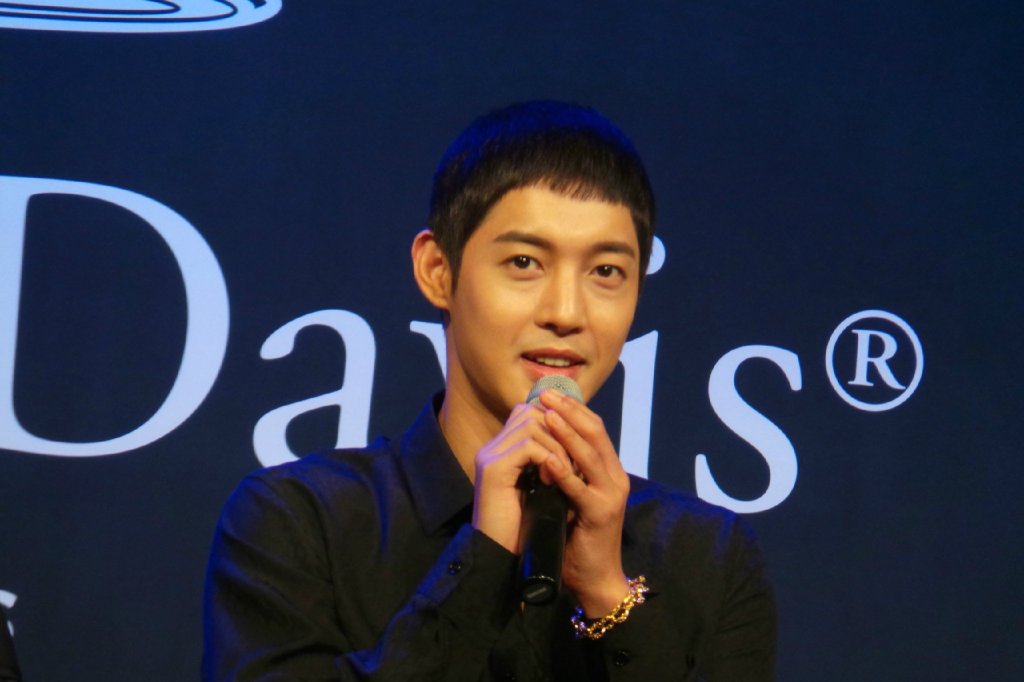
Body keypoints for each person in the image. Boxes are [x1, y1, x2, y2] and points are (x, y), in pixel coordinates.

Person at [203, 101, 775, 681]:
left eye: (606, 272)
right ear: (437, 270)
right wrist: (483, 557)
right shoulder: (299, 524)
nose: (566, 313)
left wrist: (608, 595)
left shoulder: (708, 557)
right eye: (525, 262)